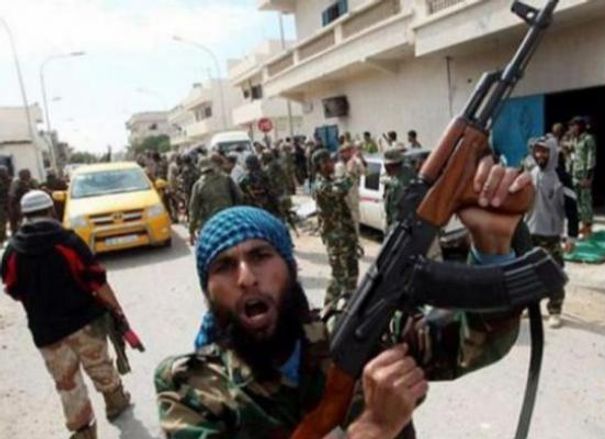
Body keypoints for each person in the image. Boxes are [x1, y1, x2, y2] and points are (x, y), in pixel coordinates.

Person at [155, 151, 530, 436]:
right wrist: (372, 428)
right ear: (207, 290)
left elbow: (472, 341)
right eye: (224, 266)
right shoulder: (191, 388)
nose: (246, 277)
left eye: (260, 256)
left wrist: (491, 245)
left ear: (290, 269)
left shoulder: (353, 332)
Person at [1, 190, 132, 439]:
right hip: (85, 322)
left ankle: (84, 432)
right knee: (100, 364)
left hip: (46, 330)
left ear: (23, 215)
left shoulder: (12, 252)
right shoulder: (68, 241)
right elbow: (96, 280)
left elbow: (13, 288)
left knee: (67, 383)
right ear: (51, 210)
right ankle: (116, 402)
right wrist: (117, 310)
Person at [524, 136, 578, 328]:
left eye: (544, 151)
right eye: (537, 150)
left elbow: (572, 209)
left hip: (551, 236)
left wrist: (572, 236)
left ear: (553, 153)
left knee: (553, 275)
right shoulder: (530, 173)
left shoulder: (562, 178)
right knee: (527, 274)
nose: (539, 155)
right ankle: (530, 306)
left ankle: (555, 311)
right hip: (529, 233)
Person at [312, 149, 359, 307]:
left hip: (346, 235)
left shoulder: (329, 180)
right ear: (321, 164)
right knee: (339, 276)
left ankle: (350, 306)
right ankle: (327, 309)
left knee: (352, 271)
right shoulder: (320, 185)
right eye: (329, 161)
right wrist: (351, 172)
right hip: (335, 239)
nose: (332, 164)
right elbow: (340, 188)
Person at [188, 158, 243, 245]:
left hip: (211, 223)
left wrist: (191, 231)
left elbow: (194, 209)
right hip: (229, 217)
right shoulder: (226, 178)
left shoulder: (198, 185)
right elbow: (240, 196)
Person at [568, 116, 597, 239]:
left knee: (585, 201)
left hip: (584, 175)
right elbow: (572, 156)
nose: (571, 128)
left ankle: (588, 227)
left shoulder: (588, 139)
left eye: (573, 126)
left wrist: (589, 177)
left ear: (579, 126)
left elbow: (591, 158)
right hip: (575, 175)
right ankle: (583, 225)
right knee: (577, 202)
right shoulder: (575, 140)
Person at [335, 142, 366, 234]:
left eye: (351, 151)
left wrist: (360, 160)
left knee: (355, 222)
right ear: (342, 153)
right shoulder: (339, 166)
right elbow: (341, 183)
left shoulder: (355, 163)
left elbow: (364, 172)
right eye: (347, 151)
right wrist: (350, 170)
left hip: (354, 198)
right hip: (345, 200)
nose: (350, 153)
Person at [383, 149, 417, 232]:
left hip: (400, 223)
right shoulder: (397, 175)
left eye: (387, 166)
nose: (386, 168)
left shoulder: (404, 180)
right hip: (394, 220)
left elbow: (400, 206)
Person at [8, 168, 38, 235]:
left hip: (32, 201)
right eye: (23, 176)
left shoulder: (33, 181)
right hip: (19, 202)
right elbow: (11, 195)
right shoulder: (16, 182)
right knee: (17, 218)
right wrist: (10, 208)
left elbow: (38, 192)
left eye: (27, 175)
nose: (25, 177)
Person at [0, 166, 11, 244]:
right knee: (2, 221)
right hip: (2, 204)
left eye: (4, 172)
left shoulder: (11, 181)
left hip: (11, 203)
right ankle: (2, 237)